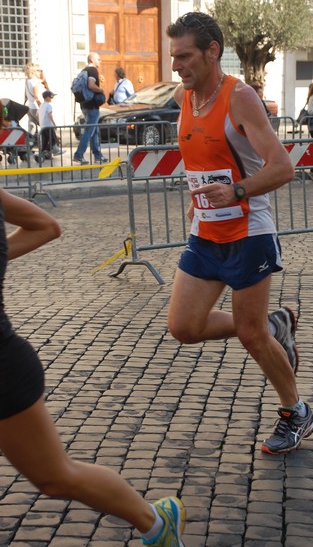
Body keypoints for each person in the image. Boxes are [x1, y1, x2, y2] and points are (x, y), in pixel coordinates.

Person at [166, 11, 313, 455]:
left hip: (249, 231)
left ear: (213, 51)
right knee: (184, 326)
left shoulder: (240, 99)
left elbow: (283, 166)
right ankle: (276, 325)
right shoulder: (183, 97)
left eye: (185, 56)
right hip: (205, 233)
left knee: (252, 338)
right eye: (174, 57)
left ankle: (296, 411)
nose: (177, 66)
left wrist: (236, 189)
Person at [0, 188, 185, 547]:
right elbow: (45, 226)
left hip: (3, 368)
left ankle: (157, 522)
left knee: (54, 477)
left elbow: (45, 227)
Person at [73, 52, 108, 165]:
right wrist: (101, 90)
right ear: (92, 60)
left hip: (84, 105)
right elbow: (91, 85)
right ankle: (78, 155)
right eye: (98, 59)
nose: (100, 61)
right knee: (89, 131)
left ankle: (98, 156)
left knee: (94, 131)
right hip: (92, 106)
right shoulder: (92, 71)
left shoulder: (84, 70)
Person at [38, 91, 65, 159]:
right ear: (47, 97)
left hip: (42, 126)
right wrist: (54, 124)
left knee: (45, 141)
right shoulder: (48, 105)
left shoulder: (41, 105)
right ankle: (48, 151)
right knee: (53, 140)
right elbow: (50, 115)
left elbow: (37, 114)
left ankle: (43, 153)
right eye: (51, 97)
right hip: (48, 126)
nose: (52, 98)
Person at [24, 63, 45, 135]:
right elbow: (36, 97)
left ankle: (29, 143)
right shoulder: (34, 82)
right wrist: (42, 107)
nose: (39, 72)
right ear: (33, 72)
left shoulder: (27, 80)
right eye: (38, 70)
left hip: (29, 107)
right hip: (36, 107)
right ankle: (52, 142)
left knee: (31, 127)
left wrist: (42, 73)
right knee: (45, 125)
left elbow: (42, 80)